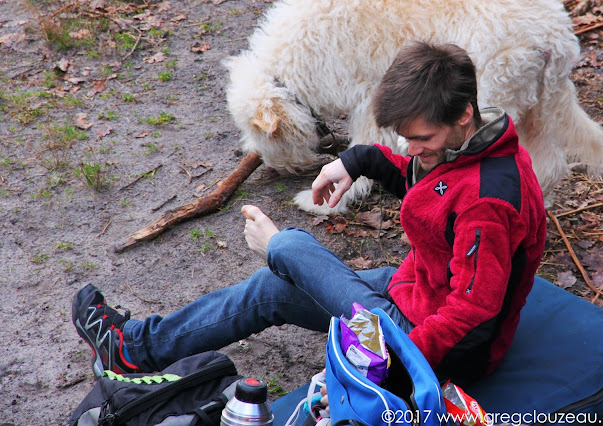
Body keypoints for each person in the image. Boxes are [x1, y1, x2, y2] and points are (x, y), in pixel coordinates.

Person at [72, 41, 546, 385]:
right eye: (406, 136)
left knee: (291, 249)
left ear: (463, 114)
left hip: (428, 344)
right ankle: (133, 351)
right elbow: (429, 189)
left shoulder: (489, 202)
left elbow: (473, 310)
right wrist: (356, 160)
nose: (411, 147)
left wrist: (396, 357)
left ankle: (280, 247)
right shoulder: (464, 148)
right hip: (416, 291)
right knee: (270, 289)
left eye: (421, 138)